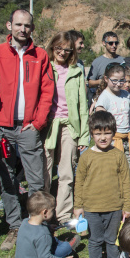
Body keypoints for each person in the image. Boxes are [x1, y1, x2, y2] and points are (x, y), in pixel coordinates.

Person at [0, 9, 54, 251]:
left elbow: (47, 91)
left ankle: (38, 226)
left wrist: (38, 123)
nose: (22, 29)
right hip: (1, 128)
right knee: (8, 178)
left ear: (32, 28)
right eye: (18, 24)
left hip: (28, 128)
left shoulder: (40, 55)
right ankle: (14, 226)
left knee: (36, 180)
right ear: (9, 25)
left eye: (27, 25)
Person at [74, 111, 130, 258]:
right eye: (98, 133)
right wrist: (78, 206)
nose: (102, 137)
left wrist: (127, 206)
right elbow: (79, 182)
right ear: (92, 134)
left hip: (114, 207)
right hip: (91, 208)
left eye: (107, 133)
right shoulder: (86, 157)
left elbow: (125, 181)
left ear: (113, 133)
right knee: (95, 240)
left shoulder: (118, 155)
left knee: (112, 239)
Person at [43, 31, 90, 227]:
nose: (62, 52)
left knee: (66, 172)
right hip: (47, 125)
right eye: (58, 48)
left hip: (69, 127)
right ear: (52, 47)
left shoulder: (76, 71)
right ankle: (43, 213)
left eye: (66, 49)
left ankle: (62, 215)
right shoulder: (45, 68)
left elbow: (82, 105)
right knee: (44, 171)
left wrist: (83, 136)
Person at [94, 63, 130, 210]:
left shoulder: (126, 95)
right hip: (112, 141)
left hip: (126, 138)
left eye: (121, 80)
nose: (118, 84)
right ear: (106, 79)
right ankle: (116, 203)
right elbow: (99, 120)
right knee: (115, 173)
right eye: (114, 80)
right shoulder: (105, 97)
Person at [13, 191, 80, 258]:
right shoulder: (43, 235)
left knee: (50, 240)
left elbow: (34, 233)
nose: (53, 212)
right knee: (65, 248)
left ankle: (60, 244)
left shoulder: (24, 222)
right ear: (44, 212)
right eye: (52, 210)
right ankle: (69, 246)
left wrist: (47, 227)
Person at [87, 32, 126, 101]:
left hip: (120, 98)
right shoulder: (97, 62)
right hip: (103, 98)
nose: (114, 45)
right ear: (104, 43)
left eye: (116, 43)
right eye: (111, 43)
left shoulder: (123, 61)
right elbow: (90, 83)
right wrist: (104, 81)